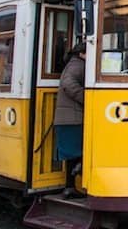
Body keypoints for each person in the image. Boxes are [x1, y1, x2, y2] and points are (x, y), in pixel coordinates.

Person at [54, 41, 87, 198]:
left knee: (72, 155)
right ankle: (73, 182)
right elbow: (68, 83)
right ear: (82, 53)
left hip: (68, 118)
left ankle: (70, 187)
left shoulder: (74, 64)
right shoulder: (77, 65)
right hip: (73, 117)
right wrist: (88, 98)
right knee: (79, 153)